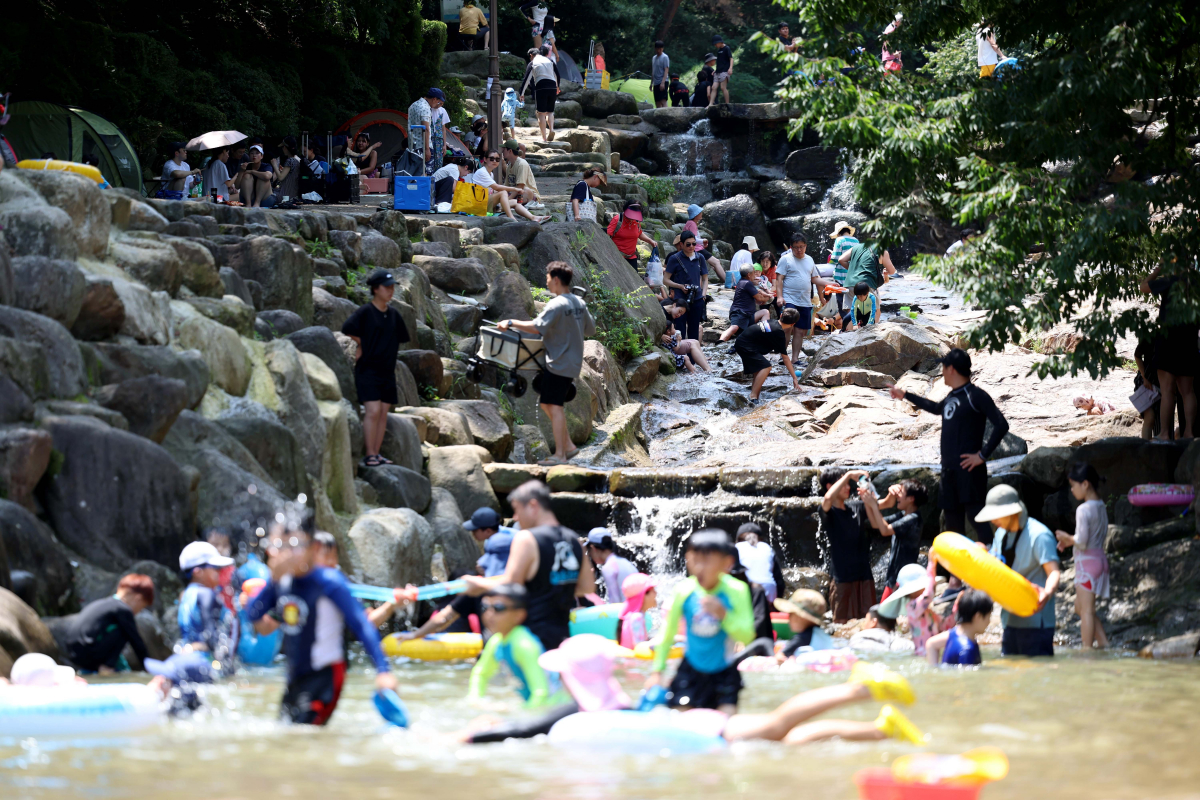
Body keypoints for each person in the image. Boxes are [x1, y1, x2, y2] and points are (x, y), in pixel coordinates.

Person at [247, 513, 397, 724]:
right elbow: (253, 614)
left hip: (325, 676)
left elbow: (362, 625)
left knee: (302, 734)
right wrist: (272, 580)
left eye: (295, 545)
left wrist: (383, 671)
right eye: (281, 546)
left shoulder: (330, 582)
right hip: (295, 678)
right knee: (286, 735)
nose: (288, 554)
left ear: (313, 549)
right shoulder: (282, 582)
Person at [889, 349, 1010, 540]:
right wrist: (905, 395)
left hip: (969, 471)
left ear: (951, 369)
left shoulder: (975, 395)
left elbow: (1002, 425)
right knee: (953, 525)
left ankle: (995, 560)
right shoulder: (953, 395)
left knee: (976, 517)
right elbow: (936, 408)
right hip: (949, 471)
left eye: (943, 367)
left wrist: (982, 455)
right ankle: (958, 570)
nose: (942, 371)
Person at [462, 480, 596, 650]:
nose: (516, 517)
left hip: (529, 641)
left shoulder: (527, 538)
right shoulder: (574, 540)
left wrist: (477, 584)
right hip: (561, 639)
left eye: (517, 510)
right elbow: (587, 587)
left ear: (533, 506)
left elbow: (512, 584)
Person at [646, 529, 755, 713]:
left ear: (726, 563)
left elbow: (747, 637)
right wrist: (657, 672)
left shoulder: (736, 590)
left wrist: (724, 615)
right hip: (691, 670)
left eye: (707, 561)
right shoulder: (684, 590)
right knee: (681, 723)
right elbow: (667, 633)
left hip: (724, 671)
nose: (699, 568)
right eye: (694, 560)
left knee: (725, 726)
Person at [497, 263, 595, 465]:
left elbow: (536, 327)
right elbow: (590, 330)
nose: (547, 281)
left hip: (559, 363)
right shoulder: (578, 302)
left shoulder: (557, 304)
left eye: (548, 278)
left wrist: (511, 323)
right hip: (571, 363)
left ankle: (560, 455)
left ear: (556, 280)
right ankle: (567, 445)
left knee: (554, 406)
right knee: (547, 403)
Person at [975, 484, 1062, 657]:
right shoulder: (1001, 533)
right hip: (1009, 621)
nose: (992, 520)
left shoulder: (1039, 535)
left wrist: (1047, 592)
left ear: (1013, 512)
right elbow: (996, 567)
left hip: (1037, 623)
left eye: (996, 515)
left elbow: (1054, 572)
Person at [341, 269, 411, 468]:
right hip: (368, 369)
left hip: (387, 371)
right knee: (372, 411)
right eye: (386, 287)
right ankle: (370, 454)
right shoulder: (365, 312)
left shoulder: (394, 315)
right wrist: (362, 343)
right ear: (375, 289)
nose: (390, 291)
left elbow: (402, 338)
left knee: (382, 412)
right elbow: (347, 328)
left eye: (392, 287)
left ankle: (376, 453)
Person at [468, 584, 570, 708]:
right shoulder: (496, 641)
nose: (489, 614)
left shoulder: (524, 645)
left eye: (498, 608)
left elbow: (542, 693)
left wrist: (519, 715)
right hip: (535, 704)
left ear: (519, 615)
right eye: (485, 607)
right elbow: (480, 673)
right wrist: (475, 699)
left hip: (554, 707)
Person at [1053, 462, 1110, 649]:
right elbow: (1091, 537)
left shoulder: (1083, 509)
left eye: (1073, 485)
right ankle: (1103, 643)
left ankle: (1087, 651)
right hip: (1100, 560)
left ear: (1085, 484)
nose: (1071, 490)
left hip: (1087, 566)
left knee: (1086, 610)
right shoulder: (1100, 505)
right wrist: (1070, 541)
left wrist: (1067, 537)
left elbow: (1083, 541)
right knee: (1081, 607)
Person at [1140, 262, 1197, 440]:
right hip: (1189, 341)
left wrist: (1157, 270)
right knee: (1188, 391)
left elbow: (1143, 287)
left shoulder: (1171, 281)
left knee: (1167, 391)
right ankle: (1189, 432)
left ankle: (1165, 433)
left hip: (1168, 339)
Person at [56, 574, 154, 672]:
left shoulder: (103, 603)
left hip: (74, 653)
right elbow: (136, 641)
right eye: (142, 607)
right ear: (138, 599)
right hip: (89, 653)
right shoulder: (123, 609)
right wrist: (148, 666)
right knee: (124, 630)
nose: (139, 612)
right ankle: (107, 668)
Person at [819, 468, 876, 623]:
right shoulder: (828, 511)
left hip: (864, 576)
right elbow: (827, 499)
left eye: (848, 483)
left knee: (869, 622)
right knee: (841, 625)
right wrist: (849, 475)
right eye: (843, 483)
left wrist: (887, 493)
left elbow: (881, 504)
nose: (848, 487)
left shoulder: (857, 507)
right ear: (831, 486)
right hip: (841, 579)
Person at [858, 479, 927, 596]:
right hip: (893, 578)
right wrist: (868, 503)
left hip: (903, 580)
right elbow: (876, 524)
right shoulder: (903, 515)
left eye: (901, 493)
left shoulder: (913, 519)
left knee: (885, 613)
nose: (897, 497)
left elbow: (885, 530)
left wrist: (874, 506)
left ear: (911, 498)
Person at [878, 561, 951, 657]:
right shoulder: (913, 608)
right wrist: (932, 564)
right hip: (924, 653)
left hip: (934, 652)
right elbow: (929, 594)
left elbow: (945, 625)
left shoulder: (926, 611)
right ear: (913, 590)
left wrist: (957, 607)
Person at [177, 541, 235, 662]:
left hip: (187, 657)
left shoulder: (186, 594)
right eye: (215, 568)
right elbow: (210, 633)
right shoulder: (206, 594)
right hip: (205, 661)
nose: (219, 572)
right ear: (197, 572)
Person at [735, 309, 804, 406]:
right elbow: (785, 358)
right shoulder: (778, 332)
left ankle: (755, 398)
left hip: (742, 342)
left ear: (780, 316)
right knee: (766, 367)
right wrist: (794, 378)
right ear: (793, 324)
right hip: (745, 346)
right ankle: (753, 396)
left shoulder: (773, 322)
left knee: (759, 370)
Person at [775, 232, 819, 367]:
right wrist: (780, 296)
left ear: (805, 246)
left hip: (805, 300)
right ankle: (783, 356)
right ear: (791, 247)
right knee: (787, 327)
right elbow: (779, 279)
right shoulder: (785, 259)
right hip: (789, 298)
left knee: (800, 331)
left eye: (801, 246)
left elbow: (815, 279)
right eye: (796, 247)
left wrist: (830, 284)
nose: (799, 250)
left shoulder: (810, 260)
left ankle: (794, 359)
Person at [470, 150, 550, 222]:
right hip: (479, 205)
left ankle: (534, 218)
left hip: (487, 203)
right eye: (491, 158)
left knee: (516, 202)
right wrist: (515, 189)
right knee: (503, 193)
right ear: (485, 159)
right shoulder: (482, 172)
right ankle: (511, 218)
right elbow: (497, 187)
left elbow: (494, 189)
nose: (494, 161)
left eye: (497, 159)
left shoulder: (491, 174)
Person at [925, 589, 994, 666]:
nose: (989, 622)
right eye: (989, 617)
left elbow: (931, 644)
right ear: (978, 617)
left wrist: (935, 669)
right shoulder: (967, 650)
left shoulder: (954, 633)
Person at [664, 231, 708, 342]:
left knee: (694, 331)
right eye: (688, 244)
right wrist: (679, 286)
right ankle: (682, 357)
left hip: (697, 299)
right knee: (680, 331)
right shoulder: (674, 258)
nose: (691, 247)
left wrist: (703, 295)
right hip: (680, 301)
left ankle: (692, 358)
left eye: (694, 244)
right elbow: (665, 280)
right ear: (681, 244)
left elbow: (705, 278)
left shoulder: (700, 257)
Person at [774, 589, 833, 660]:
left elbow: (780, 657)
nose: (788, 618)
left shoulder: (801, 638)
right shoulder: (824, 634)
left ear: (800, 617)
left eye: (791, 614)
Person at [720, 266, 772, 344]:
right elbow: (760, 299)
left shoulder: (744, 282)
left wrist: (765, 294)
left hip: (748, 316)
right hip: (739, 314)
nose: (755, 275)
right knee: (734, 327)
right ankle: (720, 342)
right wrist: (769, 297)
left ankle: (766, 336)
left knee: (765, 312)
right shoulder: (746, 283)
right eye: (754, 273)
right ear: (749, 275)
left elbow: (758, 296)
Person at [518, 44, 560, 142]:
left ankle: (544, 138)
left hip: (541, 87)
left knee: (541, 113)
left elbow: (526, 79)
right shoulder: (549, 60)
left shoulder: (533, 63)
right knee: (550, 111)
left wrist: (522, 93)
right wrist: (557, 87)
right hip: (552, 86)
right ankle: (552, 129)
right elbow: (557, 74)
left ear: (531, 55)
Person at [735, 523, 784, 604]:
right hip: (769, 598)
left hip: (744, 598)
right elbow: (779, 582)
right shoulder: (767, 548)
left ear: (738, 539)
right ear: (760, 539)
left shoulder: (736, 548)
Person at [586, 528, 638, 604]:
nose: (590, 555)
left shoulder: (609, 567)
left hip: (627, 613)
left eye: (589, 551)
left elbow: (615, 602)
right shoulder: (625, 562)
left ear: (593, 548)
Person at [661, 300, 712, 372]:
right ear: (674, 305)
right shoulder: (660, 312)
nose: (679, 315)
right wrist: (661, 336)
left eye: (681, 314)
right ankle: (707, 370)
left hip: (671, 343)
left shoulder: (671, 315)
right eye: (679, 311)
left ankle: (707, 367)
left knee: (696, 341)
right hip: (667, 346)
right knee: (692, 344)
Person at [678, 205, 725, 284]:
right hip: (696, 249)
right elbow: (693, 239)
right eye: (700, 212)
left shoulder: (690, 223)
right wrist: (703, 241)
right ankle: (727, 282)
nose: (701, 213)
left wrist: (702, 244)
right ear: (696, 214)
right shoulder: (692, 224)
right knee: (716, 262)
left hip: (695, 248)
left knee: (711, 264)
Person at [607, 200, 657, 271]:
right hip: (617, 256)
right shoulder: (618, 220)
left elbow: (639, 233)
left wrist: (650, 241)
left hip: (632, 257)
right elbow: (607, 235)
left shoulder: (636, 221)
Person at [617, 573, 657, 649]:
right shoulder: (637, 617)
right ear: (643, 595)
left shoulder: (632, 615)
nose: (656, 593)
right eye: (653, 590)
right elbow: (640, 648)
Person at [408, 88, 446, 166]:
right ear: (434, 99)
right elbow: (425, 129)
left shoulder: (413, 105)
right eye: (438, 102)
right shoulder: (425, 108)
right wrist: (427, 149)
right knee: (426, 173)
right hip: (422, 146)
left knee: (415, 174)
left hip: (412, 145)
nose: (438, 105)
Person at [501, 139, 541, 206]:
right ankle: (511, 204)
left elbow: (520, 186)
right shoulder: (509, 167)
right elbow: (506, 186)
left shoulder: (522, 164)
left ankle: (509, 204)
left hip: (527, 195)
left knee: (525, 191)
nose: (502, 152)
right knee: (499, 192)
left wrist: (509, 198)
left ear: (510, 151)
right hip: (515, 194)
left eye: (504, 150)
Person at [829, 221, 860, 303]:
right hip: (854, 277)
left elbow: (835, 258)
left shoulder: (839, 240)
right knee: (852, 302)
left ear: (838, 233)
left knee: (842, 303)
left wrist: (832, 254)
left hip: (841, 278)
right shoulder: (856, 241)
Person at [271, 135, 301, 205]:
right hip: (293, 195)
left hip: (284, 195)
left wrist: (275, 165)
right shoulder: (298, 159)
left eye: (283, 147)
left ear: (286, 147)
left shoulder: (290, 160)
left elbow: (280, 178)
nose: (283, 149)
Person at [712, 35, 734, 104]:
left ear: (720, 42)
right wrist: (716, 70)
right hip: (718, 71)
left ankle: (727, 103)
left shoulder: (726, 48)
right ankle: (710, 104)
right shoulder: (719, 51)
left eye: (716, 43)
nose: (715, 45)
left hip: (725, 71)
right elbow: (719, 61)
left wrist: (730, 68)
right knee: (714, 87)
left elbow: (731, 58)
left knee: (723, 87)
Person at [652, 40, 671, 108]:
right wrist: (651, 83)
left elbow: (666, 70)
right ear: (655, 48)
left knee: (663, 100)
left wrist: (663, 82)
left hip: (663, 81)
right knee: (657, 102)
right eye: (658, 48)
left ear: (662, 48)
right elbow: (653, 71)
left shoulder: (665, 57)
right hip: (656, 82)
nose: (659, 50)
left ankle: (666, 116)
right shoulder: (654, 58)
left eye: (661, 48)